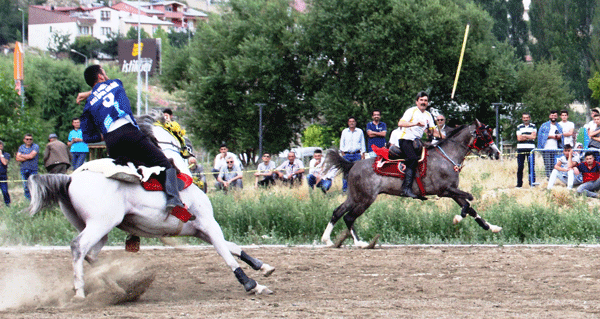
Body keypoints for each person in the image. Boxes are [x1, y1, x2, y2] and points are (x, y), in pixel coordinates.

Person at [79, 64, 193, 221]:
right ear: (100, 76)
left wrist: (106, 136)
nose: (106, 75)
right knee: (164, 164)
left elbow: (88, 137)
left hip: (112, 143)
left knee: (136, 172)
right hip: (129, 134)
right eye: (104, 73)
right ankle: (174, 201)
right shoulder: (116, 83)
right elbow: (107, 89)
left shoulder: (89, 104)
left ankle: (134, 228)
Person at [397, 91, 438, 198]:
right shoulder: (411, 111)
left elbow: (433, 131)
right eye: (421, 100)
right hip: (405, 139)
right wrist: (415, 123)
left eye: (425, 100)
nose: (423, 102)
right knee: (413, 159)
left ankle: (420, 187)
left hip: (416, 142)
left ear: (428, 103)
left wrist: (446, 136)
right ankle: (406, 189)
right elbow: (400, 123)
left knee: (426, 160)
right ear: (417, 101)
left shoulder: (428, 115)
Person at [340, 116, 366, 192]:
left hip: (357, 154)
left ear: (355, 122)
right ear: (348, 123)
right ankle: (345, 189)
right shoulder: (344, 131)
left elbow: (362, 142)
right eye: (350, 121)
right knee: (346, 173)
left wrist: (363, 153)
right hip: (347, 155)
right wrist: (342, 153)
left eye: (353, 121)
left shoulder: (359, 131)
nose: (352, 123)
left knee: (357, 173)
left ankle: (357, 189)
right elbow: (342, 143)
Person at [537, 110, 564, 178]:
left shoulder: (559, 126)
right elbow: (540, 136)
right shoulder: (544, 125)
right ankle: (548, 178)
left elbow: (562, 137)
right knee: (548, 164)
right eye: (552, 115)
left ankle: (553, 178)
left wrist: (559, 137)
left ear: (557, 117)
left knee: (554, 165)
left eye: (555, 116)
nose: (553, 117)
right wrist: (552, 136)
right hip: (546, 148)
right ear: (549, 116)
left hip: (556, 148)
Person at [16, 133, 40, 200]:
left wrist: (22, 155)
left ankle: (35, 200)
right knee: (25, 187)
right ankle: (28, 201)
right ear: (24, 140)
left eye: (30, 139)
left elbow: (31, 156)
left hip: (33, 169)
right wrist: (28, 156)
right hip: (23, 169)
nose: (29, 140)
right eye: (27, 139)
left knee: (34, 186)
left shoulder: (35, 146)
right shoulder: (21, 147)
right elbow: (17, 158)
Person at [516, 113, 537, 188]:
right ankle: (519, 184)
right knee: (520, 167)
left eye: (527, 117)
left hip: (530, 149)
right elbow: (519, 138)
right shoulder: (519, 126)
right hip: (520, 149)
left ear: (529, 118)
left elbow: (533, 136)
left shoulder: (533, 126)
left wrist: (524, 135)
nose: (526, 119)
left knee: (531, 166)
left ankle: (532, 183)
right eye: (524, 118)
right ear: (522, 118)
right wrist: (529, 136)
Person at [0, 140, 11, 206]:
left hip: (3, 176)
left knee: (5, 191)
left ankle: (8, 205)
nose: (0, 147)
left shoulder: (6, 154)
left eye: (1, 145)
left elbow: (4, 162)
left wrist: (1, 155)